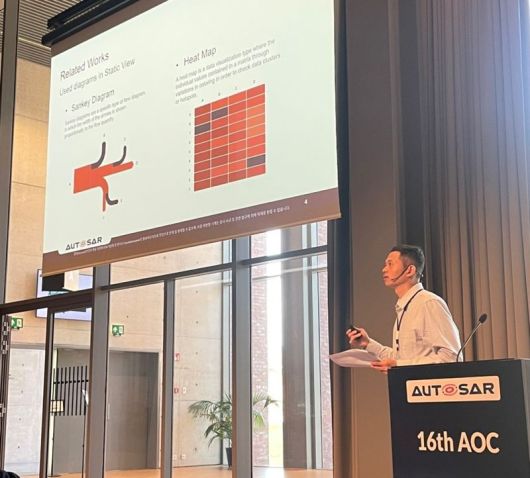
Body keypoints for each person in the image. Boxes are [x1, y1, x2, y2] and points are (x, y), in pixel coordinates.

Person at [347, 244, 461, 373]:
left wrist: (398, 364)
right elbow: (401, 359)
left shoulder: (429, 303)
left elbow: (451, 357)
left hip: (426, 385)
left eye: (390, 264)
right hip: (406, 384)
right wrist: (367, 344)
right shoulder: (405, 306)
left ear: (410, 270)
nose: (384, 269)